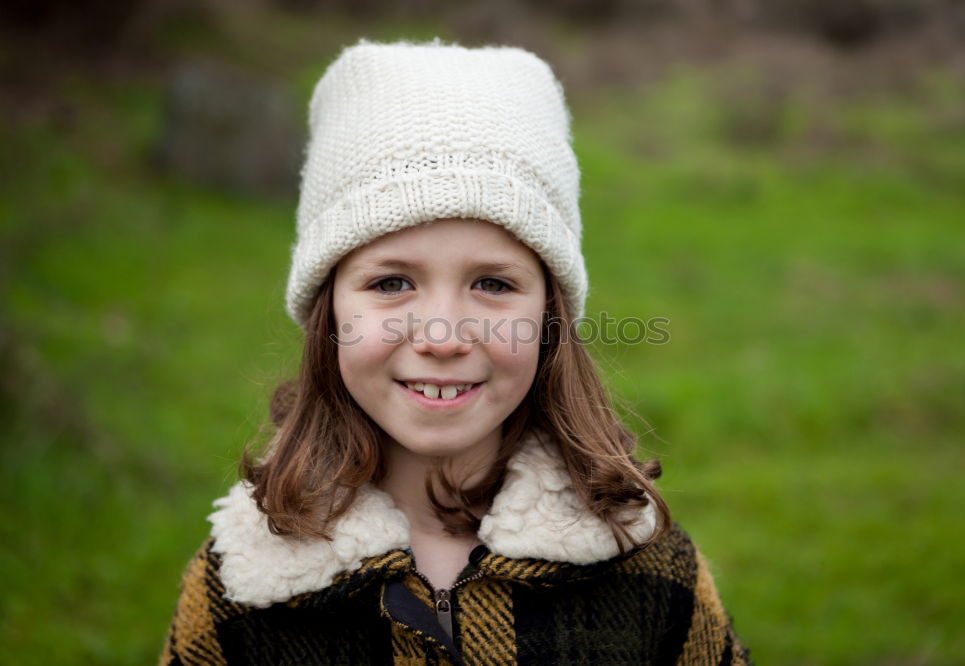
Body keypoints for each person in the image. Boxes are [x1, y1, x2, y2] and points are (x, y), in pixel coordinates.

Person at [158, 37, 750, 665]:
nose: (442, 338)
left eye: (492, 284)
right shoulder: (241, 590)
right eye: (391, 283)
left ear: (549, 317)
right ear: (328, 311)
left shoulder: (649, 572)